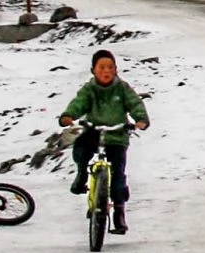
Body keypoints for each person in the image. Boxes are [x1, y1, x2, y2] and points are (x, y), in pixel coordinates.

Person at [59, 50, 149, 234]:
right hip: (93, 131)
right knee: (81, 149)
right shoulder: (89, 89)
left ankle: (119, 212)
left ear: (116, 70)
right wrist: (68, 115)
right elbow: (79, 103)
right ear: (93, 70)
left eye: (110, 67)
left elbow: (135, 104)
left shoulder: (122, 88)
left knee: (118, 176)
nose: (106, 71)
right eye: (102, 67)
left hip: (117, 135)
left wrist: (140, 120)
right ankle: (81, 175)